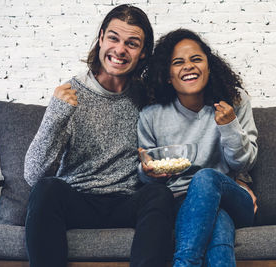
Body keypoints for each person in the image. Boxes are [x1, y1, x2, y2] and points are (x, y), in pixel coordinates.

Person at [23, 5, 174, 267]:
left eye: (132, 43)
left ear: (143, 53)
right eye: (114, 38)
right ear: (101, 38)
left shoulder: (146, 96)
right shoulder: (69, 95)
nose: (120, 50)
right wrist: (55, 116)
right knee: (47, 189)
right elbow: (32, 175)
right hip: (78, 199)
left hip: (127, 201)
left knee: (160, 196)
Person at [137, 29, 258, 267]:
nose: (188, 66)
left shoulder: (234, 103)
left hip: (233, 196)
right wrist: (148, 172)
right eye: (178, 62)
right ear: (168, 75)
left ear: (209, 67)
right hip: (183, 203)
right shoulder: (151, 117)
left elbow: (244, 163)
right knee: (219, 226)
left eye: (196, 59)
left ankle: (185, 262)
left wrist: (230, 126)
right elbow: (147, 177)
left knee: (204, 178)